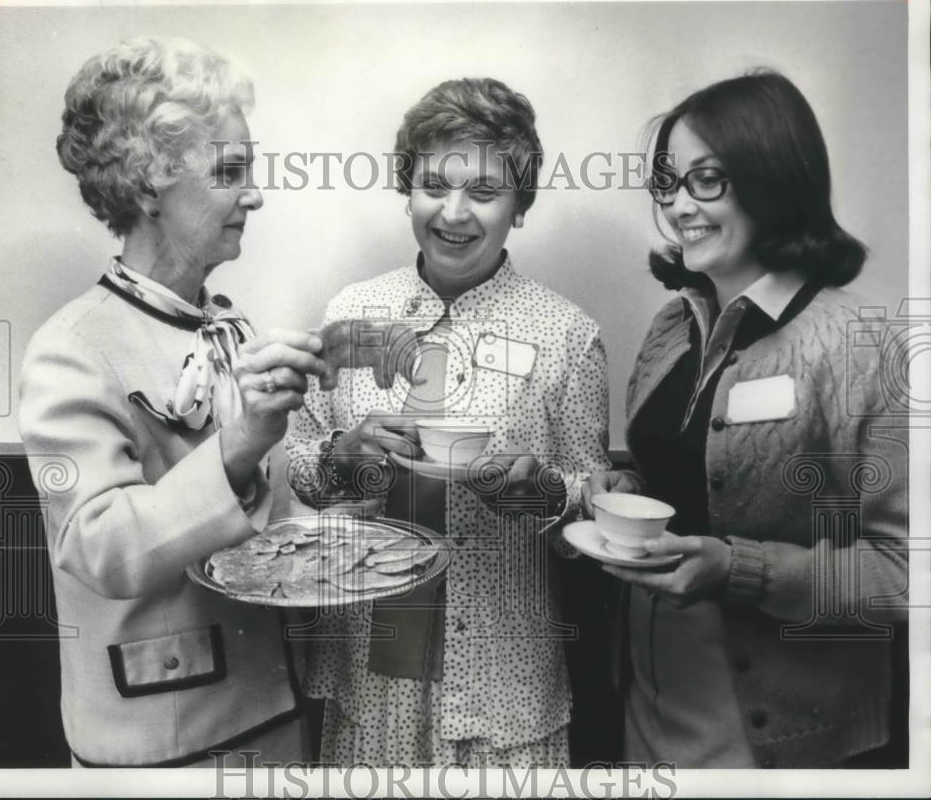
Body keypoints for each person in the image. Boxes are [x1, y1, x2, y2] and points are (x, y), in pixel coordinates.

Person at [584, 70, 908, 768]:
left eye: (707, 180)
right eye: (668, 183)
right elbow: (666, 477)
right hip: (648, 700)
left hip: (773, 736)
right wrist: (603, 484)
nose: (677, 207)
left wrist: (740, 570)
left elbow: (907, 573)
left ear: (771, 180)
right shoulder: (671, 324)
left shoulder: (860, 342)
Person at [19, 37, 329, 767]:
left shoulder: (231, 328)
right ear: (150, 183)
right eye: (230, 171)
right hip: (165, 742)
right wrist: (241, 441)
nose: (254, 193)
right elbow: (99, 548)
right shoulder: (70, 349)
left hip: (275, 712)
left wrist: (354, 503)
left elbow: (264, 522)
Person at [285, 77, 612, 767]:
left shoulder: (567, 335)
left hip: (503, 687)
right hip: (370, 684)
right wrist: (345, 451)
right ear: (407, 188)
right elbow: (301, 471)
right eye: (433, 184)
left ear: (519, 207)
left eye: (485, 193)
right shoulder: (352, 313)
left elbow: (595, 513)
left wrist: (540, 491)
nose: (453, 213)